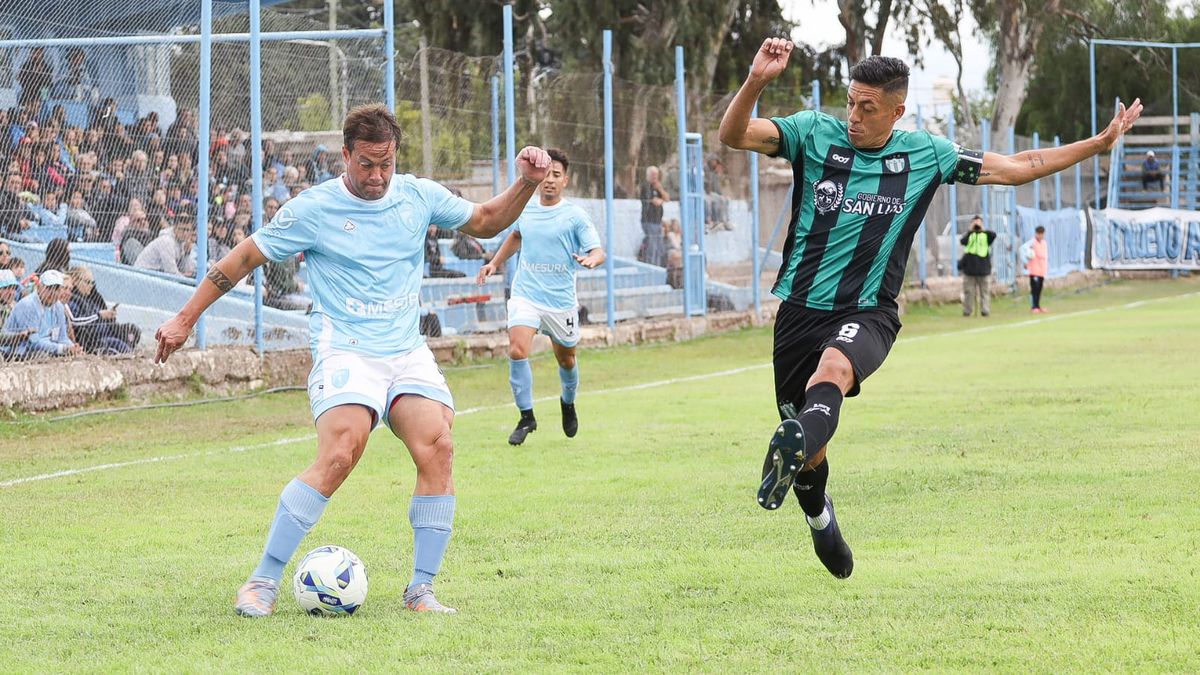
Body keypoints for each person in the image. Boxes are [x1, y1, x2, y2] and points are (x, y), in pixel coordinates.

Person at [719, 39, 1141, 579]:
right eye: (850, 103)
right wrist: (756, 80)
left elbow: (1020, 165)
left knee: (834, 370)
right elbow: (733, 135)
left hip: (868, 311)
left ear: (897, 111)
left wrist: (1099, 143)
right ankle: (819, 514)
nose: (853, 117)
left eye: (867, 108)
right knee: (808, 453)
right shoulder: (812, 133)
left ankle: (802, 449)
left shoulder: (926, 155)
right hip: (798, 313)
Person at [153, 103, 550, 617]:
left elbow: (487, 220)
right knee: (342, 451)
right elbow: (244, 257)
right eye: (366, 163)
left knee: (439, 446)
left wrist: (527, 182)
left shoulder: (417, 195)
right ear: (345, 155)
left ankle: (421, 590)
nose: (377, 175)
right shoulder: (313, 209)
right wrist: (185, 319)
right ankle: (262, 581)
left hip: (405, 350)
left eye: (386, 163)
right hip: (346, 348)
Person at [475, 148, 605, 446]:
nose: (549, 180)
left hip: (560, 302)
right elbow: (516, 236)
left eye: (556, 175)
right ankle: (526, 416)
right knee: (517, 350)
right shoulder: (526, 210)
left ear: (565, 181)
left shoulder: (575, 216)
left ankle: (568, 402)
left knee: (567, 360)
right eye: (546, 174)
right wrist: (494, 263)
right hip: (527, 294)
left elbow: (598, 251)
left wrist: (592, 259)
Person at [2, 269, 81, 360]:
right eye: (49, 288)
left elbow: (62, 337)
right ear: (39, 287)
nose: (53, 293)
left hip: (46, 350)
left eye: (57, 289)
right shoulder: (28, 305)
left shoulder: (58, 306)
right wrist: (63, 349)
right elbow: (33, 342)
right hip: (17, 352)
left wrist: (72, 347)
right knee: (43, 356)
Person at [67, 265, 139, 354]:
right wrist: (100, 316)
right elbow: (78, 322)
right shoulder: (73, 301)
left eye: (92, 283)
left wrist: (109, 315)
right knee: (118, 344)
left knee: (132, 331)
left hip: (109, 331)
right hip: (95, 339)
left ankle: (129, 349)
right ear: (75, 281)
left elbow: (102, 312)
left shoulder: (91, 298)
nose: (91, 286)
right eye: (87, 282)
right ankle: (127, 352)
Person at [959, 215, 997, 317]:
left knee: (985, 292)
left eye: (979, 222)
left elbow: (993, 235)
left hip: (984, 269)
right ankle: (967, 311)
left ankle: (985, 310)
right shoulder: (969, 235)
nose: (977, 225)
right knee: (968, 292)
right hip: (969, 270)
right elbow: (962, 241)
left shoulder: (985, 235)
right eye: (975, 223)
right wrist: (970, 230)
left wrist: (982, 229)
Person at [638, 166, 669, 265]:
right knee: (652, 245)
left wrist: (660, 189)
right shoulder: (646, 186)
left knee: (659, 245)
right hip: (649, 220)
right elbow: (653, 201)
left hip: (657, 221)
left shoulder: (658, 186)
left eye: (656, 174)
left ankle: (657, 265)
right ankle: (650, 264)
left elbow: (667, 198)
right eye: (653, 174)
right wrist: (660, 201)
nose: (655, 177)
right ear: (648, 175)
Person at [0, 269, 32, 357]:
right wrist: (16, 336)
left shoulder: (15, 306)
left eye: (13, 288)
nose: (11, 293)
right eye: (6, 288)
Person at [1023, 225, 1049, 313]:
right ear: (1036, 234)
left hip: (1042, 270)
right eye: (1039, 234)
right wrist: (1025, 262)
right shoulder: (1032, 242)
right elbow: (1024, 251)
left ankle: (1038, 306)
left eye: (1042, 234)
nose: (1040, 236)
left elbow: (1044, 256)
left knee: (1039, 289)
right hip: (1034, 270)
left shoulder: (1044, 243)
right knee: (1034, 289)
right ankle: (1034, 306)